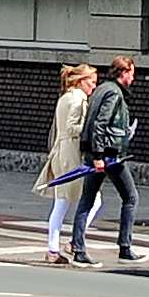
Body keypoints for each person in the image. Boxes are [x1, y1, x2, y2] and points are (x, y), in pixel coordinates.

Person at [70, 55, 141, 263]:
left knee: (87, 200)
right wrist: (100, 156)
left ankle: (79, 249)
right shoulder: (114, 93)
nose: (133, 79)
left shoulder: (101, 89)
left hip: (96, 153)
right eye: (132, 74)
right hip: (110, 155)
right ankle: (125, 247)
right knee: (131, 197)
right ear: (124, 73)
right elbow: (101, 123)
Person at [41, 64, 95, 264]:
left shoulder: (65, 97)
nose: (93, 87)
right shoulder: (78, 100)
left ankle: (54, 248)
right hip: (71, 153)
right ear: (81, 81)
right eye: (91, 82)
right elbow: (73, 128)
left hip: (61, 151)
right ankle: (73, 241)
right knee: (91, 199)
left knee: (62, 202)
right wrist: (90, 126)